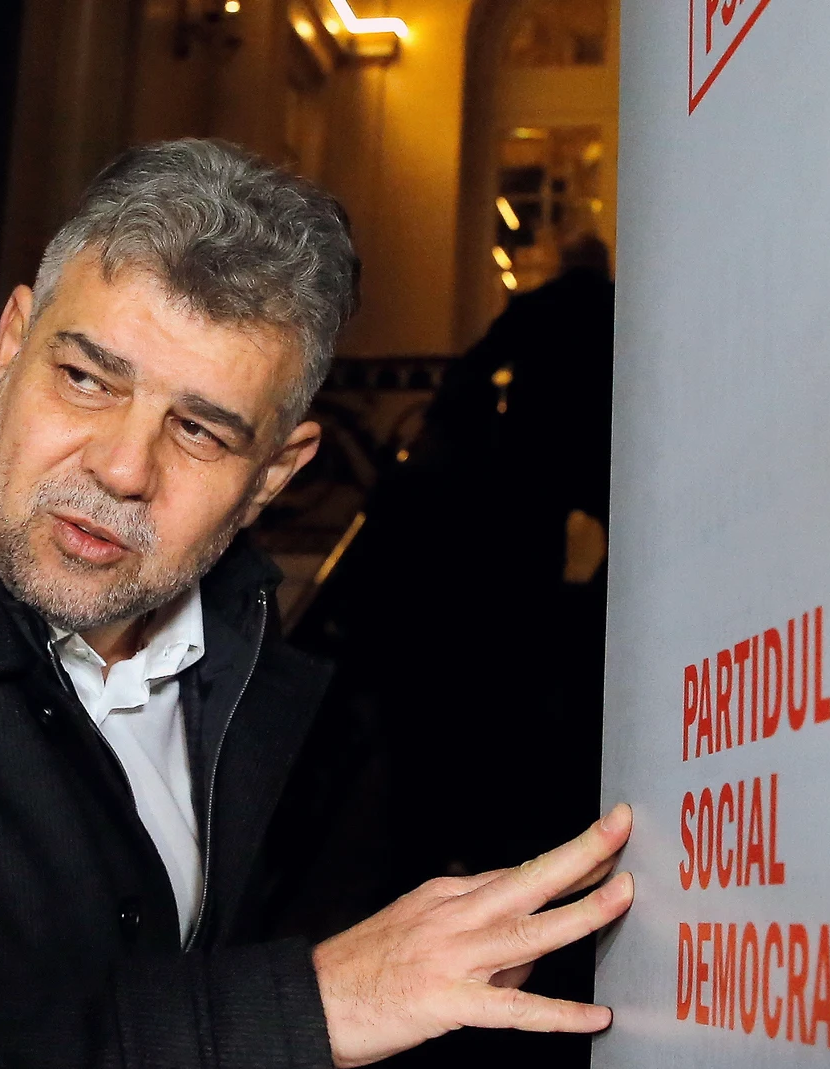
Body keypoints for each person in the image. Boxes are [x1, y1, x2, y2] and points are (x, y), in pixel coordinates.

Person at [0, 139, 635, 1069]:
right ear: (9, 344)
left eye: (201, 431)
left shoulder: (282, 667)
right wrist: (301, 1009)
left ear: (276, 474)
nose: (122, 468)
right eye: (86, 379)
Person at [291, 235, 617, 1067]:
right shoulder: (604, 318)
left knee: (423, 805)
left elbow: (477, 365)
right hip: (522, 568)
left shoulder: (523, 345)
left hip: (438, 652)